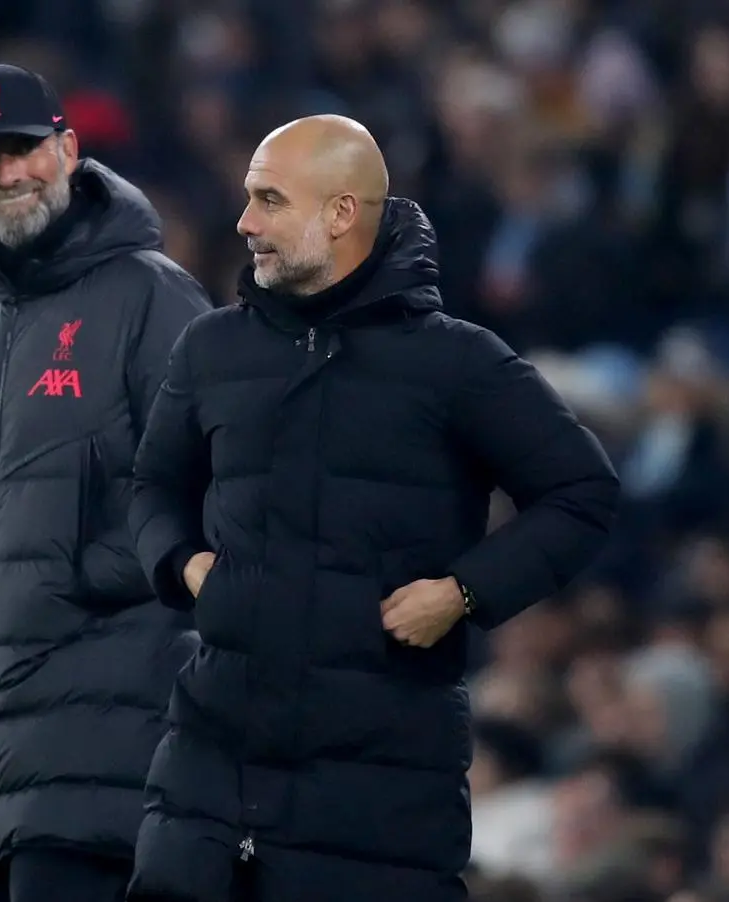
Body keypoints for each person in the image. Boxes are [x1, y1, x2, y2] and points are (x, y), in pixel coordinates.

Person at [126, 115, 621, 902]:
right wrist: (186, 567)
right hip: (206, 782)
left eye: (269, 200)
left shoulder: (455, 361)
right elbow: (153, 485)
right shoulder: (212, 349)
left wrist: (462, 593)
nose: (245, 222)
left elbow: (582, 491)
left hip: (379, 794)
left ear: (341, 213)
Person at [0, 63, 210, 901]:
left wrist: (85, 571)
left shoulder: (151, 292)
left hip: (111, 726)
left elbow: (216, 474)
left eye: (23, 150)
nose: (5, 174)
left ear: (68, 149)